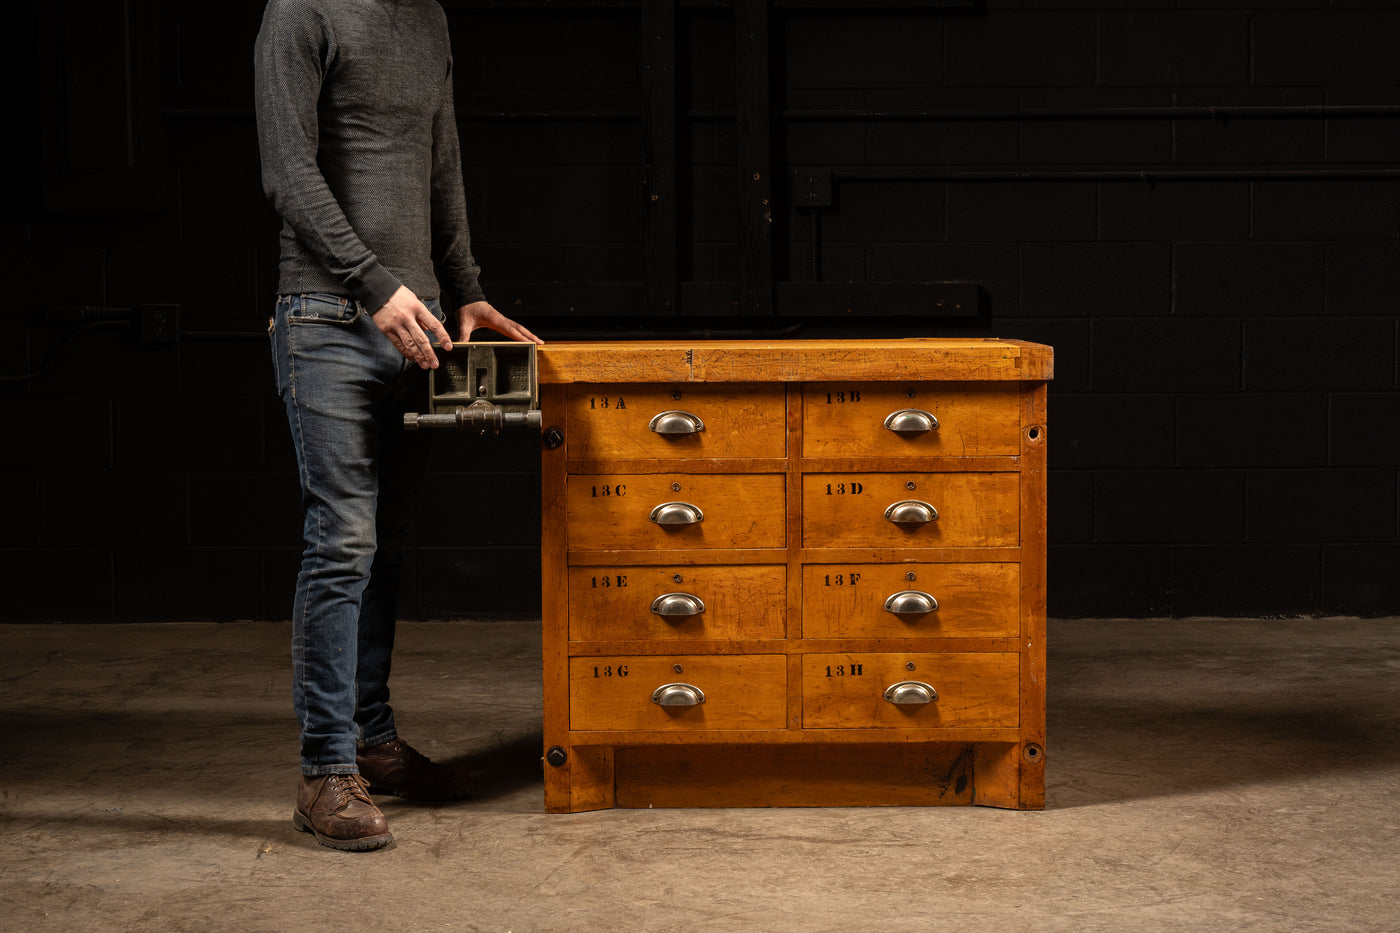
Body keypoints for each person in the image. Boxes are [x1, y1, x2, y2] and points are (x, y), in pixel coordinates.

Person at [254, 0, 542, 851]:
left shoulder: (430, 20)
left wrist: (466, 282)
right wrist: (373, 283)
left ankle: (372, 743)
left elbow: (439, 160)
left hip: (416, 326)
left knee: (386, 539)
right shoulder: (299, 12)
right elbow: (287, 171)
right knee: (343, 536)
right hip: (326, 314)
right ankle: (323, 770)